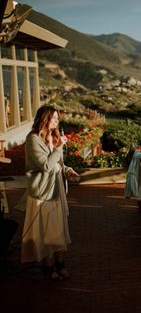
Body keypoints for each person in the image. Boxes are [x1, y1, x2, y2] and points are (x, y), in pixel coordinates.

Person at [21, 105, 79, 280]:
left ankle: (60, 264)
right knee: (45, 231)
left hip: (57, 190)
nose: (56, 121)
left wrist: (68, 169)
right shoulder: (33, 140)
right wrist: (59, 147)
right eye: (53, 117)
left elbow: (56, 164)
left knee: (58, 229)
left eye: (57, 118)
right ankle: (48, 266)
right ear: (44, 118)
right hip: (43, 191)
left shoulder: (53, 137)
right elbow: (45, 165)